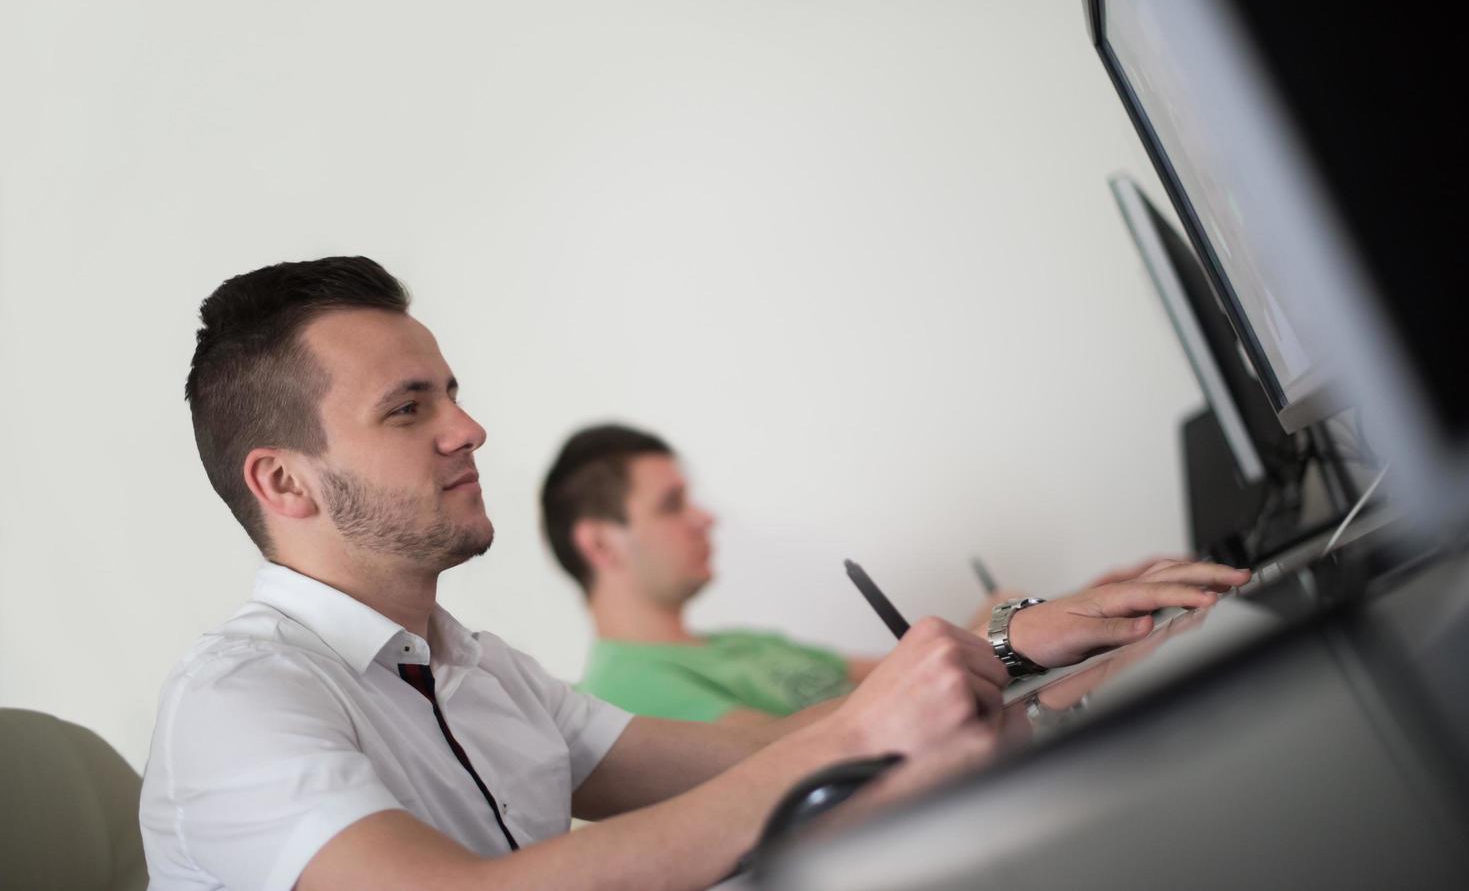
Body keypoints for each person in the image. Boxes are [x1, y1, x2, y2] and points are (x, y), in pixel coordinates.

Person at [140, 256, 1247, 890]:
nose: (469, 427)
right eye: (407, 407)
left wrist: (1000, 649)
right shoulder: (236, 701)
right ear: (283, 482)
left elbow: (740, 757)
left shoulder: (480, 669)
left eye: (451, 389)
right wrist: (868, 732)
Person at [544, 424, 1233, 725]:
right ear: (601, 544)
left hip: (991, 754)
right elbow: (816, 757)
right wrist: (1010, 634)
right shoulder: (626, 693)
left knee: (1158, 623)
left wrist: (1085, 608)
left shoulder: (733, 648)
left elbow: (900, 676)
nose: (704, 519)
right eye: (671, 505)